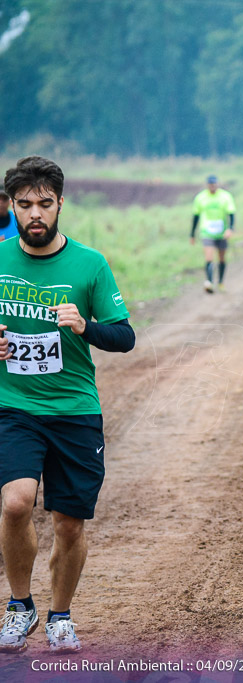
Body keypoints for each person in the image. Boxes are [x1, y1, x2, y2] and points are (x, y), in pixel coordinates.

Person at [0, 156, 135, 654]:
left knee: (68, 522)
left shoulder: (89, 263)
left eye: (44, 204)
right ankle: (20, 606)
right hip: (12, 405)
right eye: (24, 204)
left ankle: (59, 615)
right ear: (11, 207)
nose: (35, 213)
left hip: (74, 409)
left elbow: (125, 337)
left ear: (60, 204)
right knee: (15, 502)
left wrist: (85, 327)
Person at [190, 175, 236, 294]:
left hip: (222, 232)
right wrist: (192, 234)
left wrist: (230, 229)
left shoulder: (225, 196)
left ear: (217, 184)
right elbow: (196, 216)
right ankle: (209, 282)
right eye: (210, 185)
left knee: (221, 258)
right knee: (209, 257)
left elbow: (231, 213)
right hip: (207, 231)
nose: (212, 187)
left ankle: (220, 282)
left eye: (214, 185)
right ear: (207, 185)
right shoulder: (200, 198)